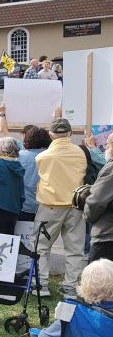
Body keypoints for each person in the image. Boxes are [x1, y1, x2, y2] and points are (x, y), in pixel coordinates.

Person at [34, 117, 88, 296]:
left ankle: (41, 285)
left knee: (41, 247)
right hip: (76, 204)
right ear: (70, 133)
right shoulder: (80, 152)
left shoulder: (42, 157)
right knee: (75, 248)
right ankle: (70, 286)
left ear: (50, 135)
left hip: (50, 205)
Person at [84, 133, 113, 263]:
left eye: (106, 145)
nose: (105, 148)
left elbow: (96, 201)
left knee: (98, 281)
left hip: (107, 235)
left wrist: (87, 215)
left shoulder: (111, 169)